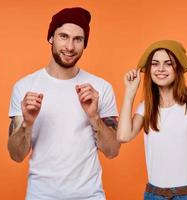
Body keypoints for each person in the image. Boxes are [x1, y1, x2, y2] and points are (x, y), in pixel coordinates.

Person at [7, 7, 120, 200]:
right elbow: (16, 155)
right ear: (51, 38)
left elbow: (112, 151)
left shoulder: (101, 88)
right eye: (63, 36)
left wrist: (93, 117)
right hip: (40, 195)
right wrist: (27, 123)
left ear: (85, 44)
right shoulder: (25, 87)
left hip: (89, 195)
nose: (70, 46)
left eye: (78, 39)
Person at [117, 40, 187, 200]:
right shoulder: (147, 107)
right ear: (149, 70)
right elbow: (123, 136)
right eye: (155, 64)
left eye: (168, 63)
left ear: (178, 69)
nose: (161, 69)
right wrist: (129, 92)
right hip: (153, 195)